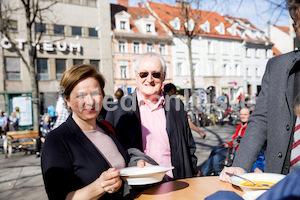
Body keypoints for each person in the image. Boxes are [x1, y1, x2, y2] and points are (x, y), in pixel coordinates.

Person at [41, 64, 150, 200]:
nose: (90, 101)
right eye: (81, 95)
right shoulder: (57, 140)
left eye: (96, 94)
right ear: (67, 100)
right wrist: (99, 186)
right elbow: (59, 197)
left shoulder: (107, 129)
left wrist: (137, 164)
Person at [220, 0, 300, 182]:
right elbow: (261, 118)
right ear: (296, 29)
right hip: (279, 182)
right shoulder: (277, 67)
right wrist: (241, 164)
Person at [106, 52, 198, 180]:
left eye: (155, 74)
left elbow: (189, 148)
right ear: (136, 76)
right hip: (138, 189)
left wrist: (192, 179)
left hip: (177, 185)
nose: (149, 79)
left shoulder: (176, 106)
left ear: (163, 77)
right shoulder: (117, 111)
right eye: (144, 74)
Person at [200, 108, 250, 176]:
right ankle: (213, 174)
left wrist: (230, 145)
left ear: (249, 115)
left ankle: (203, 172)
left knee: (215, 149)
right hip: (233, 149)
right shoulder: (240, 125)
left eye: (245, 114)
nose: (243, 116)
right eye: (241, 114)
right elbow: (234, 138)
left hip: (238, 153)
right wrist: (228, 144)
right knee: (215, 157)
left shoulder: (249, 127)